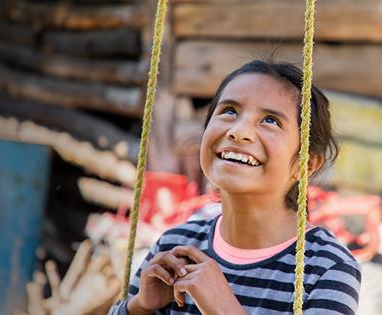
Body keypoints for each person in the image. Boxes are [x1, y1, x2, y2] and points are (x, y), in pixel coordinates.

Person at [107, 59, 362, 314]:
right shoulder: (176, 246)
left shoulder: (327, 266)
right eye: (229, 111)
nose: (239, 132)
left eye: (271, 120)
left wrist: (221, 306)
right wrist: (139, 306)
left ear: (306, 165)